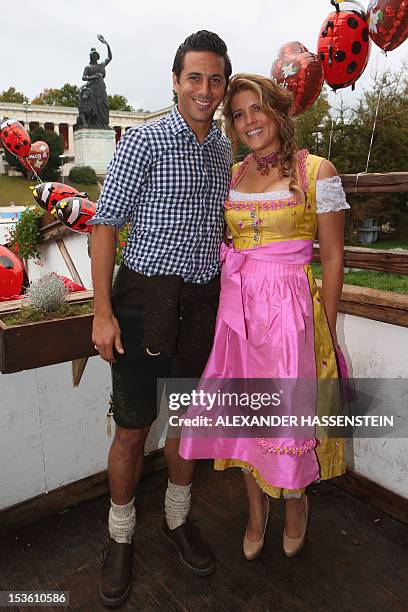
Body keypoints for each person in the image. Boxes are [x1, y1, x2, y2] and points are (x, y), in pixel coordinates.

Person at [179, 74, 349, 561]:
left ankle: (295, 506)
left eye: (256, 109)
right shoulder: (233, 175)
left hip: (292, 316)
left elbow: (333, 258)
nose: (248, 121)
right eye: (237, 114)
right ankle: (257, 513)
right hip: (239, 316)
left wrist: (325, 327)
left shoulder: (317, 171)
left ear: (278, 111)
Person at [90, 31, 232, 607]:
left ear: (223, 85)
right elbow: (104, 227)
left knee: (185, 426)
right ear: (175, 81)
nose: (204, 89)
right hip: (142, 302)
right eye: (194, 77)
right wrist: (102, 314)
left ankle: (176, 522)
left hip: (201, 305)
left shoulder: (224, 152)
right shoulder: (144, 141)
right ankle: (120, 538)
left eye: (215, 78)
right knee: (131, 428)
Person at [81, 35, 112, 128]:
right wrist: (93, 77)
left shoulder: (101, 65)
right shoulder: (88, 67)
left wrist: (107, 44)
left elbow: (109, 58)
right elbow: (83, 77)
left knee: (105, 105)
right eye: (93, 55)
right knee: (93, 108)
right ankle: (93, 124)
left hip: (101, 88)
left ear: (97, 56)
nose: (95, 56)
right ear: (91, 56)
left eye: (96, 55)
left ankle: (104, 124)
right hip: (92, 89)